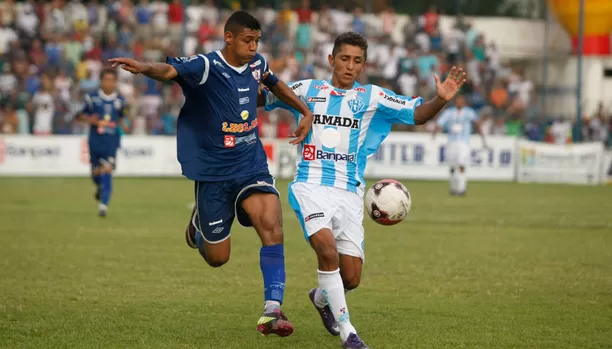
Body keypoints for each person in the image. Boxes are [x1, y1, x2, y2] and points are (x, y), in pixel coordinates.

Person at [108, 11, 313, 336]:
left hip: (251, 164)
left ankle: (272, 311)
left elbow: (275, 84)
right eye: (248, 40)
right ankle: (200, 223)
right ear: (229, 37)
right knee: (218, 258)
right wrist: (144, 67)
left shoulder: (257, 64)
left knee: (271, 223)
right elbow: (171, 69)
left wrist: (304, 110)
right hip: (215, 172)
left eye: (257, 40)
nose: (253, 46)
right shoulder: (207, 66)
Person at [259, 32, 466, 349]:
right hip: (310, 186)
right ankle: (348, 334)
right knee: (327, 252)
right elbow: (263, 98)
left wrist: (440, 100)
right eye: (344, 59)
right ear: (331, 60)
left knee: (352, 276)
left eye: (357, 61)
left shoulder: (373, 97)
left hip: (350, 193)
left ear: (364, 65)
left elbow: (417, 115)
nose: (350, 66)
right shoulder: (307, 89)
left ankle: (322, 296)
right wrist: (233, 85)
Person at [78, 68, 129, 217]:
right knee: (95, 174)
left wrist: (124, 125)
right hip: (95, 141)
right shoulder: (92, 98)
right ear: (101, 81)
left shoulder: (120, 101)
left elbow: (121, 117)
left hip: (111, 142)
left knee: (107, 171)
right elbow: (80, 116)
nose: (109, 83)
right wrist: (91, 120)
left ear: (115, 82)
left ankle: (103, 206)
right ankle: (99, 187)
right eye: (106, 80)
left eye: (112, 80)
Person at [433, 94, 487, 196]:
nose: (459, 102)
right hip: (451, 142)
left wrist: (482, 137)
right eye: (458, 100)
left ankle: (462, 189)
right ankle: (453, 188)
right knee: (452, 167)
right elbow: (440, 123)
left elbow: (477, 123)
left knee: (462, 164)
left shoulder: (469, 112)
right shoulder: (449, 112)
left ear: (464, 102)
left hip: (464, 142)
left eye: (461, 101)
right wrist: (434, 135)